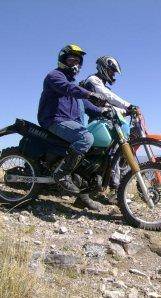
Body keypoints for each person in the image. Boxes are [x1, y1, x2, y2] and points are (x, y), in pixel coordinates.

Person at [38, 44, 106, 210]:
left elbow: (89, 106)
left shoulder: (74, 85)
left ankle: (83, 197)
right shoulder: (55, 76)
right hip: (55, 120)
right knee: (86, 138)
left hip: (70, 123)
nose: (75, 63)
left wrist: (106, 111)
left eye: (78, 61)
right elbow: (69, 89)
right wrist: (90, 93)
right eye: (71, 59)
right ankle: (61, 175)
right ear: (63, 60)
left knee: (94, 152)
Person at [81, 56, 135, 202]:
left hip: (105, 120)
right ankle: (113, 190)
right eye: (112, 71)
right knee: (111, 154)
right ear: (104, 68)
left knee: (113, 154)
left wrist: (125, 111)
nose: (113, 74)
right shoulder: (93, 80)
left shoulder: (102, 83)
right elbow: (107, 96)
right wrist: (128, 106)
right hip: (99, 122)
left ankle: (108, 189)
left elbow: (109, 105)